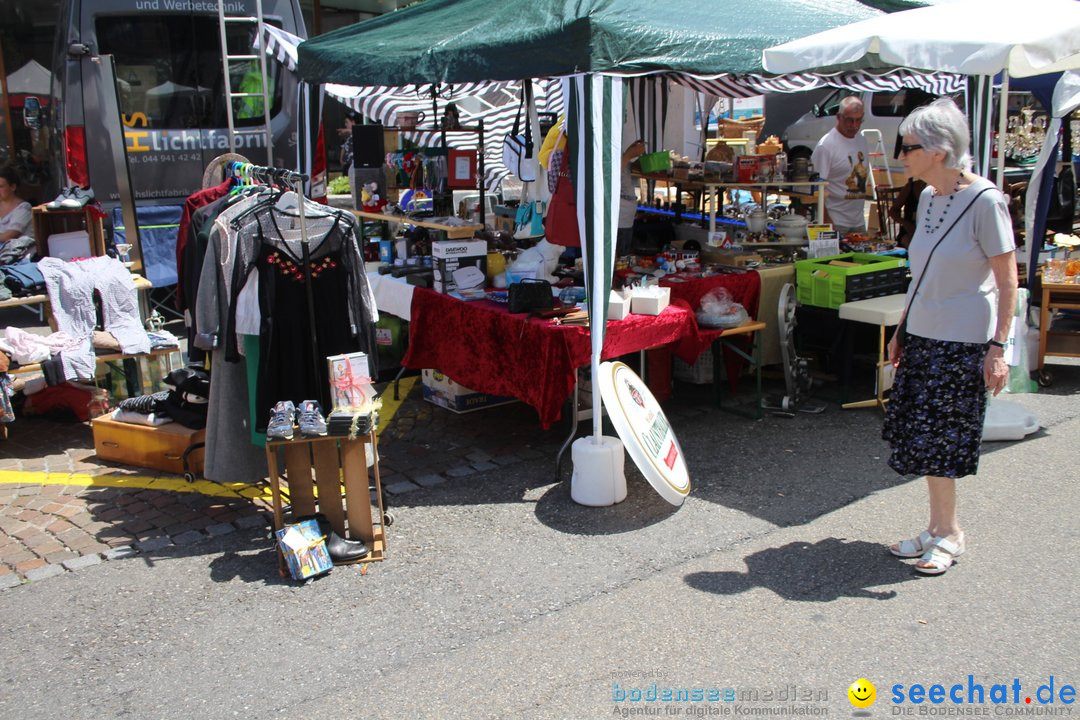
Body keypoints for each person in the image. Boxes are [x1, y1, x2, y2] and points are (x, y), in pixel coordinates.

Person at [883, 98, 1017, 576]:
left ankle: (949, 532)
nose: (902, 155)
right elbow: (921, 274)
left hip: (962, 340)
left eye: (909, 147)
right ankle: (938, 526)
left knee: (944, 440)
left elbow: (1007, 281)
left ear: (938, 151)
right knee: (922, 437)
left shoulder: (986, 201)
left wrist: (999, 348)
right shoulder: (927, 197)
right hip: (923, 333)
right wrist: (901, 329)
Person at [811, 96, 871, 236]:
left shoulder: (861, 140)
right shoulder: (826, 146)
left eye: (858, 120)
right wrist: (826, 220)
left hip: (858, 221)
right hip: (836, 221)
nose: (854, 126)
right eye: (849, 120)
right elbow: (816, 188)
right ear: (838, 117)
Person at [617, 138, 647, 256]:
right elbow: (610, 176)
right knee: (619, 257)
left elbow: (624, 168)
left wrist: (632, 154)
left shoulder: (614, 144)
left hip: (626, 211)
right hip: (619, 212)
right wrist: (629, 155)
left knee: (623, 255)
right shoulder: (602, 146)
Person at [0, 165, 34, 264]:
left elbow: (9, 236)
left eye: (1, 186)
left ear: (13, 187)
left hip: (18, 259)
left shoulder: (24, 208)